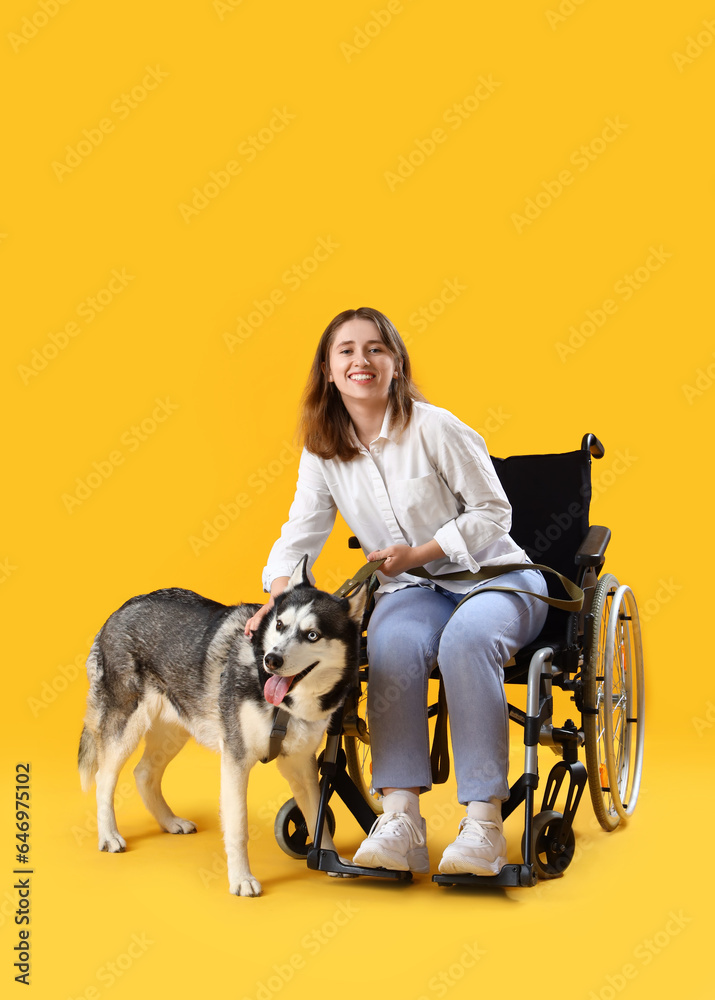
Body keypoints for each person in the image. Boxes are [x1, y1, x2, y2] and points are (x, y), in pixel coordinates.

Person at [244, 306, 549, 876]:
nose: (362, 360)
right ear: (328, 371)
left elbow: (494, 513)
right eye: (346, 351)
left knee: (464, 641)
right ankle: (401, 819)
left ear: (396, 364)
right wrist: (278, 600)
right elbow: (300, 534)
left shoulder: (435, 428)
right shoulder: (324, 450)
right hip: (413, 589)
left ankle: (483, 824)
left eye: (375, 349)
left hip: (496, 578)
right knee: (390, 645)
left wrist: (422, 552)